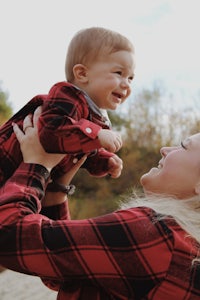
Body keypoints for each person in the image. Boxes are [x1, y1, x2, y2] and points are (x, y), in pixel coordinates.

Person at [1, 110, 200, 300]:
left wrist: (37, 165)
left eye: (183, 146)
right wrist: (58, 189)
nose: (165, 150)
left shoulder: (155, 233)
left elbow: (7, 236)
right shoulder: (186, 248)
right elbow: (63, 270)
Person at [0, 27, 135, 187]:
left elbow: (78, 151)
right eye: (119, 73)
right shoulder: (67, 95)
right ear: (82, 74)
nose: (126, 84)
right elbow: (52, 132)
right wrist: (97, 134)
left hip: (22, 183)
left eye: (131, 78)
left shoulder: (96, 118)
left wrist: (104, 160)